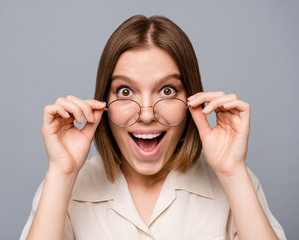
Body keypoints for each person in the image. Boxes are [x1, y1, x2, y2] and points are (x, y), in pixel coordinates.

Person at [20, 15, 286, 240]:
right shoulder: (65, 183)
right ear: (103, 102)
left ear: (190, 100)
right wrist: (62, 173)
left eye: (167, 90)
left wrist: (232, 172)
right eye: (125, 91)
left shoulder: (235, 179)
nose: (146, 114)